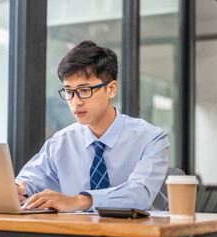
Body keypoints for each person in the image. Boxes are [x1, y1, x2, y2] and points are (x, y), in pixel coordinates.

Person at [15, 40, 169, 212]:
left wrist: (80, 201)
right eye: (68, 92)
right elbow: (29, 181)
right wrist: (20, 189)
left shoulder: (151, 138)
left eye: (84, 90)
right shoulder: (60, 142)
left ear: (111, 89)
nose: (75, 102)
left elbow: (140, 194)